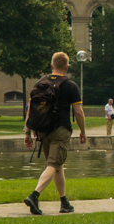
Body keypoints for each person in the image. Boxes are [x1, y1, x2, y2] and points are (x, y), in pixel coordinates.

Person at [21, 51, 86, 215]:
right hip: (60, 130)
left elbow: (30, 111)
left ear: (51, 66)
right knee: (53, 164)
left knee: (58, 165)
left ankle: (64, 201)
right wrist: (83, 131)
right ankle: (34, 195)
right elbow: (78, 112)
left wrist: (27, 132)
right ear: (67, 67)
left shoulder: (39, 83)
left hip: (42, 131)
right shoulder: (70, 85)